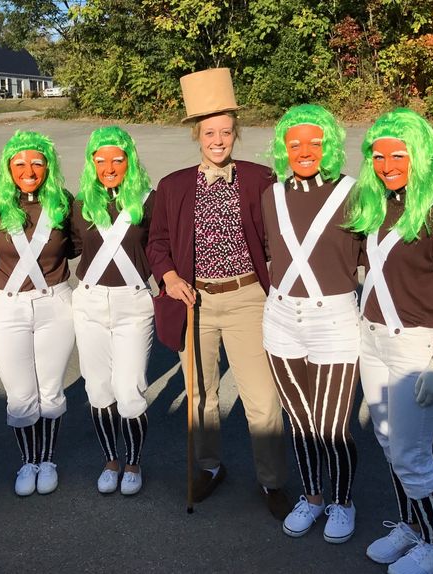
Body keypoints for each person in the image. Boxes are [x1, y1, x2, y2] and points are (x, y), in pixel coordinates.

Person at [146, 68, 290, 520]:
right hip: (196, 303)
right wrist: (168, 277)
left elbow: (288, 226)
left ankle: (271, 480)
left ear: (235, 136)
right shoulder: (173, 186)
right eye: (210, 132)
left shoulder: (259, 178)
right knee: (201, 394)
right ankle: (208, 468)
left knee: (262, 398)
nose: (219, 139)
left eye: (227, 132)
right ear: (197, 136)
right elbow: (157, 243)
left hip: (248, 298)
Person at [345, 108, 433, 574]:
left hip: (417, 347)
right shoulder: (374, 206)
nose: (386, 164)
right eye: (377, 155)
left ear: (419, 156)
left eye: (398, 154)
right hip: (372, 340)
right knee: (385, 439)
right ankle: (411, 525)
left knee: (411, 454)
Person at [262, 105, 361, 542]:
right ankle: (313, 495)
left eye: (315, 142)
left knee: (332, 426)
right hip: (281, 318)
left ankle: (342, 501)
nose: (305, 151)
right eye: (295, 143)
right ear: (284, 148)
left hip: (334, 320)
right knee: (299, 420)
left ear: (330, 146)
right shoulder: (272, 195)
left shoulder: (356, 192)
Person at [0, 131, 74, 497]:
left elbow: (83, 242)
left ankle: (47, 459)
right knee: (21, 394)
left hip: (55, 303)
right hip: (8, 305)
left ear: (48, 166)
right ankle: (28, 461)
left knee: (50, 391)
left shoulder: (64, 202)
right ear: (8, 166)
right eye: (20, 162)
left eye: (37, 162)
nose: (29, 170)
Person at [71, 126, 154, 496]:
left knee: (129, 389)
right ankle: (110, 460)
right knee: (98, 389)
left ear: (129, 161)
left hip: (133, 304)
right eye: (100, 159)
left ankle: (133, 462)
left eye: (117, 159)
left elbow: (160, 248)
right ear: (91, 162)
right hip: (88, 302)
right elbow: (67, 246)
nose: (109, 166)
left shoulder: (149, 200)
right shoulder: (80, 204)